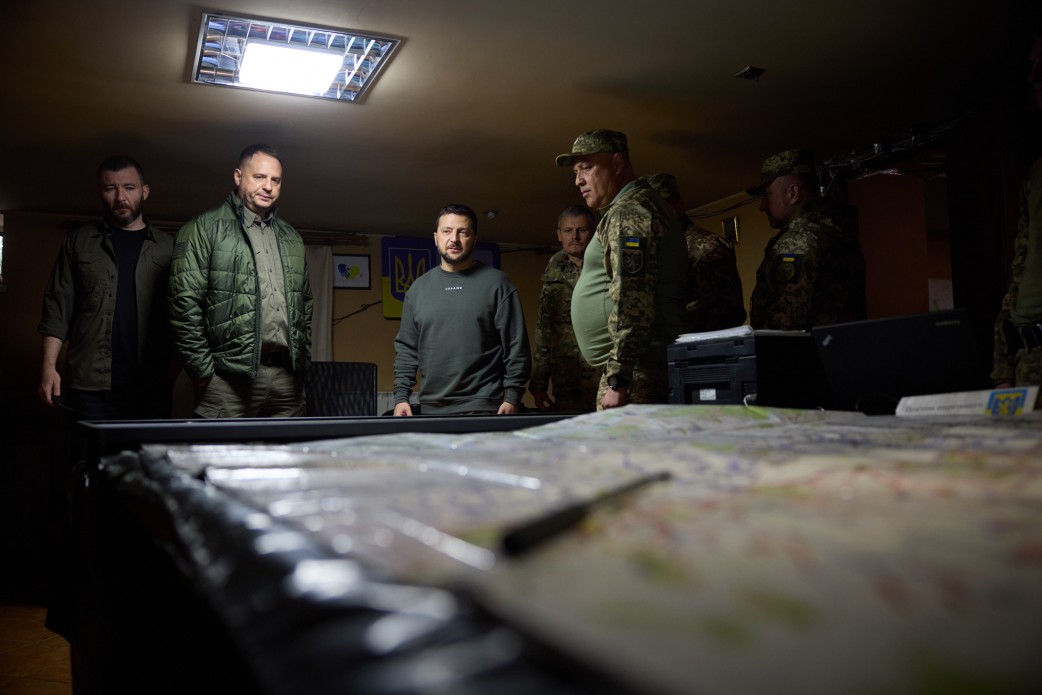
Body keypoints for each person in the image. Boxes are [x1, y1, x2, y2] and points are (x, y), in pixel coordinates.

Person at [169, 144, 312, 417]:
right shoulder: (203, 229)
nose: (268, 186)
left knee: (286, 459)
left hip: (287, 381)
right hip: (226, 382)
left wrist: (301, 365)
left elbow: (304, 304)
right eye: (259, 177)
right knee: (223, 460)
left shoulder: (292, 237)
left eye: (275, 180)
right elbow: (183, 306)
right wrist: (203, 374)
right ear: (238, 177)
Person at [556, 130, 691, 410]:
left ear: (617, 164)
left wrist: (618, 378)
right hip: (638, 368)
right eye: (576, 172)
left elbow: (633, 298)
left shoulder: (629, 212)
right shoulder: (632, 208)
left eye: (587, 168)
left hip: (639, 372)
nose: (578, 180)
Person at [38, 155, 176, 420]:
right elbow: (57, 307)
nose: (120, 197)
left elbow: (183, 316)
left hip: (151, 384)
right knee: (89, 460)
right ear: (101, 192)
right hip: (90, 386)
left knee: (148, 461)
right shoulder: (78, 241)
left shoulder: (169, 248)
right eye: (110, 188)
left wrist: (172, 371)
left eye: (129, 187)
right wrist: (48, 367)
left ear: (144, 191)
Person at [393, 204, 531, 415]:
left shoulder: (498, 283)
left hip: (486, 408)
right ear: (436, 237)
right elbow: (406, 349)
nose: (454, 239)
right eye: (447, 231)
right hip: (433, 409)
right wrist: (401, 397)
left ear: (474, 239)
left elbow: (516, 345)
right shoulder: (417, 290)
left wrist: (513, 395)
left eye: (463, 232)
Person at [746, 148, 867, 330]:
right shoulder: (836, 232)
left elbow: (784, 326)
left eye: (767, 195)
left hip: (804, 356)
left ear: (792, 193)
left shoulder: (799, 241)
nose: (762, 206)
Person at [993, 32, 1042, 387]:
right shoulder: (1037, 172)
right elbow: (1021, 268)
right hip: (1029, 359)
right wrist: (1004, 365)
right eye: (1032, 65)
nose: (1033, 77)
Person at [646, 173, 747, 331]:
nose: (654, 215)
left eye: (661, 206)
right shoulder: (662, 249)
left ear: (678, 206)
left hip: (705, 347)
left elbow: (722, 312)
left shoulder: (706, 247)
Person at [528, 204, 602, 411]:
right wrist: (539, 383)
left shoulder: (608, 265)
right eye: (568, 231)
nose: (575, 236)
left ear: (594, 232)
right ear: (559, 235)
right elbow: (544, 332)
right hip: (566, 381)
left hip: (604, 378)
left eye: (582, 230)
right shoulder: (553, 274)